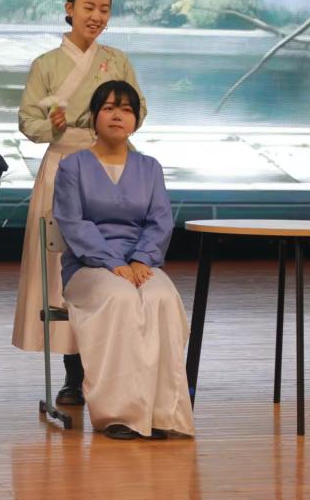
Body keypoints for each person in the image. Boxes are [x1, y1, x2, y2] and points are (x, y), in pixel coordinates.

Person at [11, 0, 146, 405]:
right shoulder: (46, 64)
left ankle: (113, 369)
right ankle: (74, 374)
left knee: (114, 257)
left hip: (111, 166)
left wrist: (113, 123)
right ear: (69, 8)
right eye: (89, 7)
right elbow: (28, 122)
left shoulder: (117, 60)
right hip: (63, 168)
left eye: (105, 9)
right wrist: (52, 127)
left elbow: (139, 109)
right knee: (63, 269)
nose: (97, 17)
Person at [54, 80, 194, 440]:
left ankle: (162, 414)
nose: (118, 115)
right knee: (119, 298)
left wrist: (142, 259)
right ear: (94, 116)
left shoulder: (150, 167)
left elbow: (160, 221)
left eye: (127, 109)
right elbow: (73, 222)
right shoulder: (72, 166)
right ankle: (119, 414)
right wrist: (111, 260)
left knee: (162, 297)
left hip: (141, 263)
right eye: (109, 108)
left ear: (136, 121)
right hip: (89, 266)